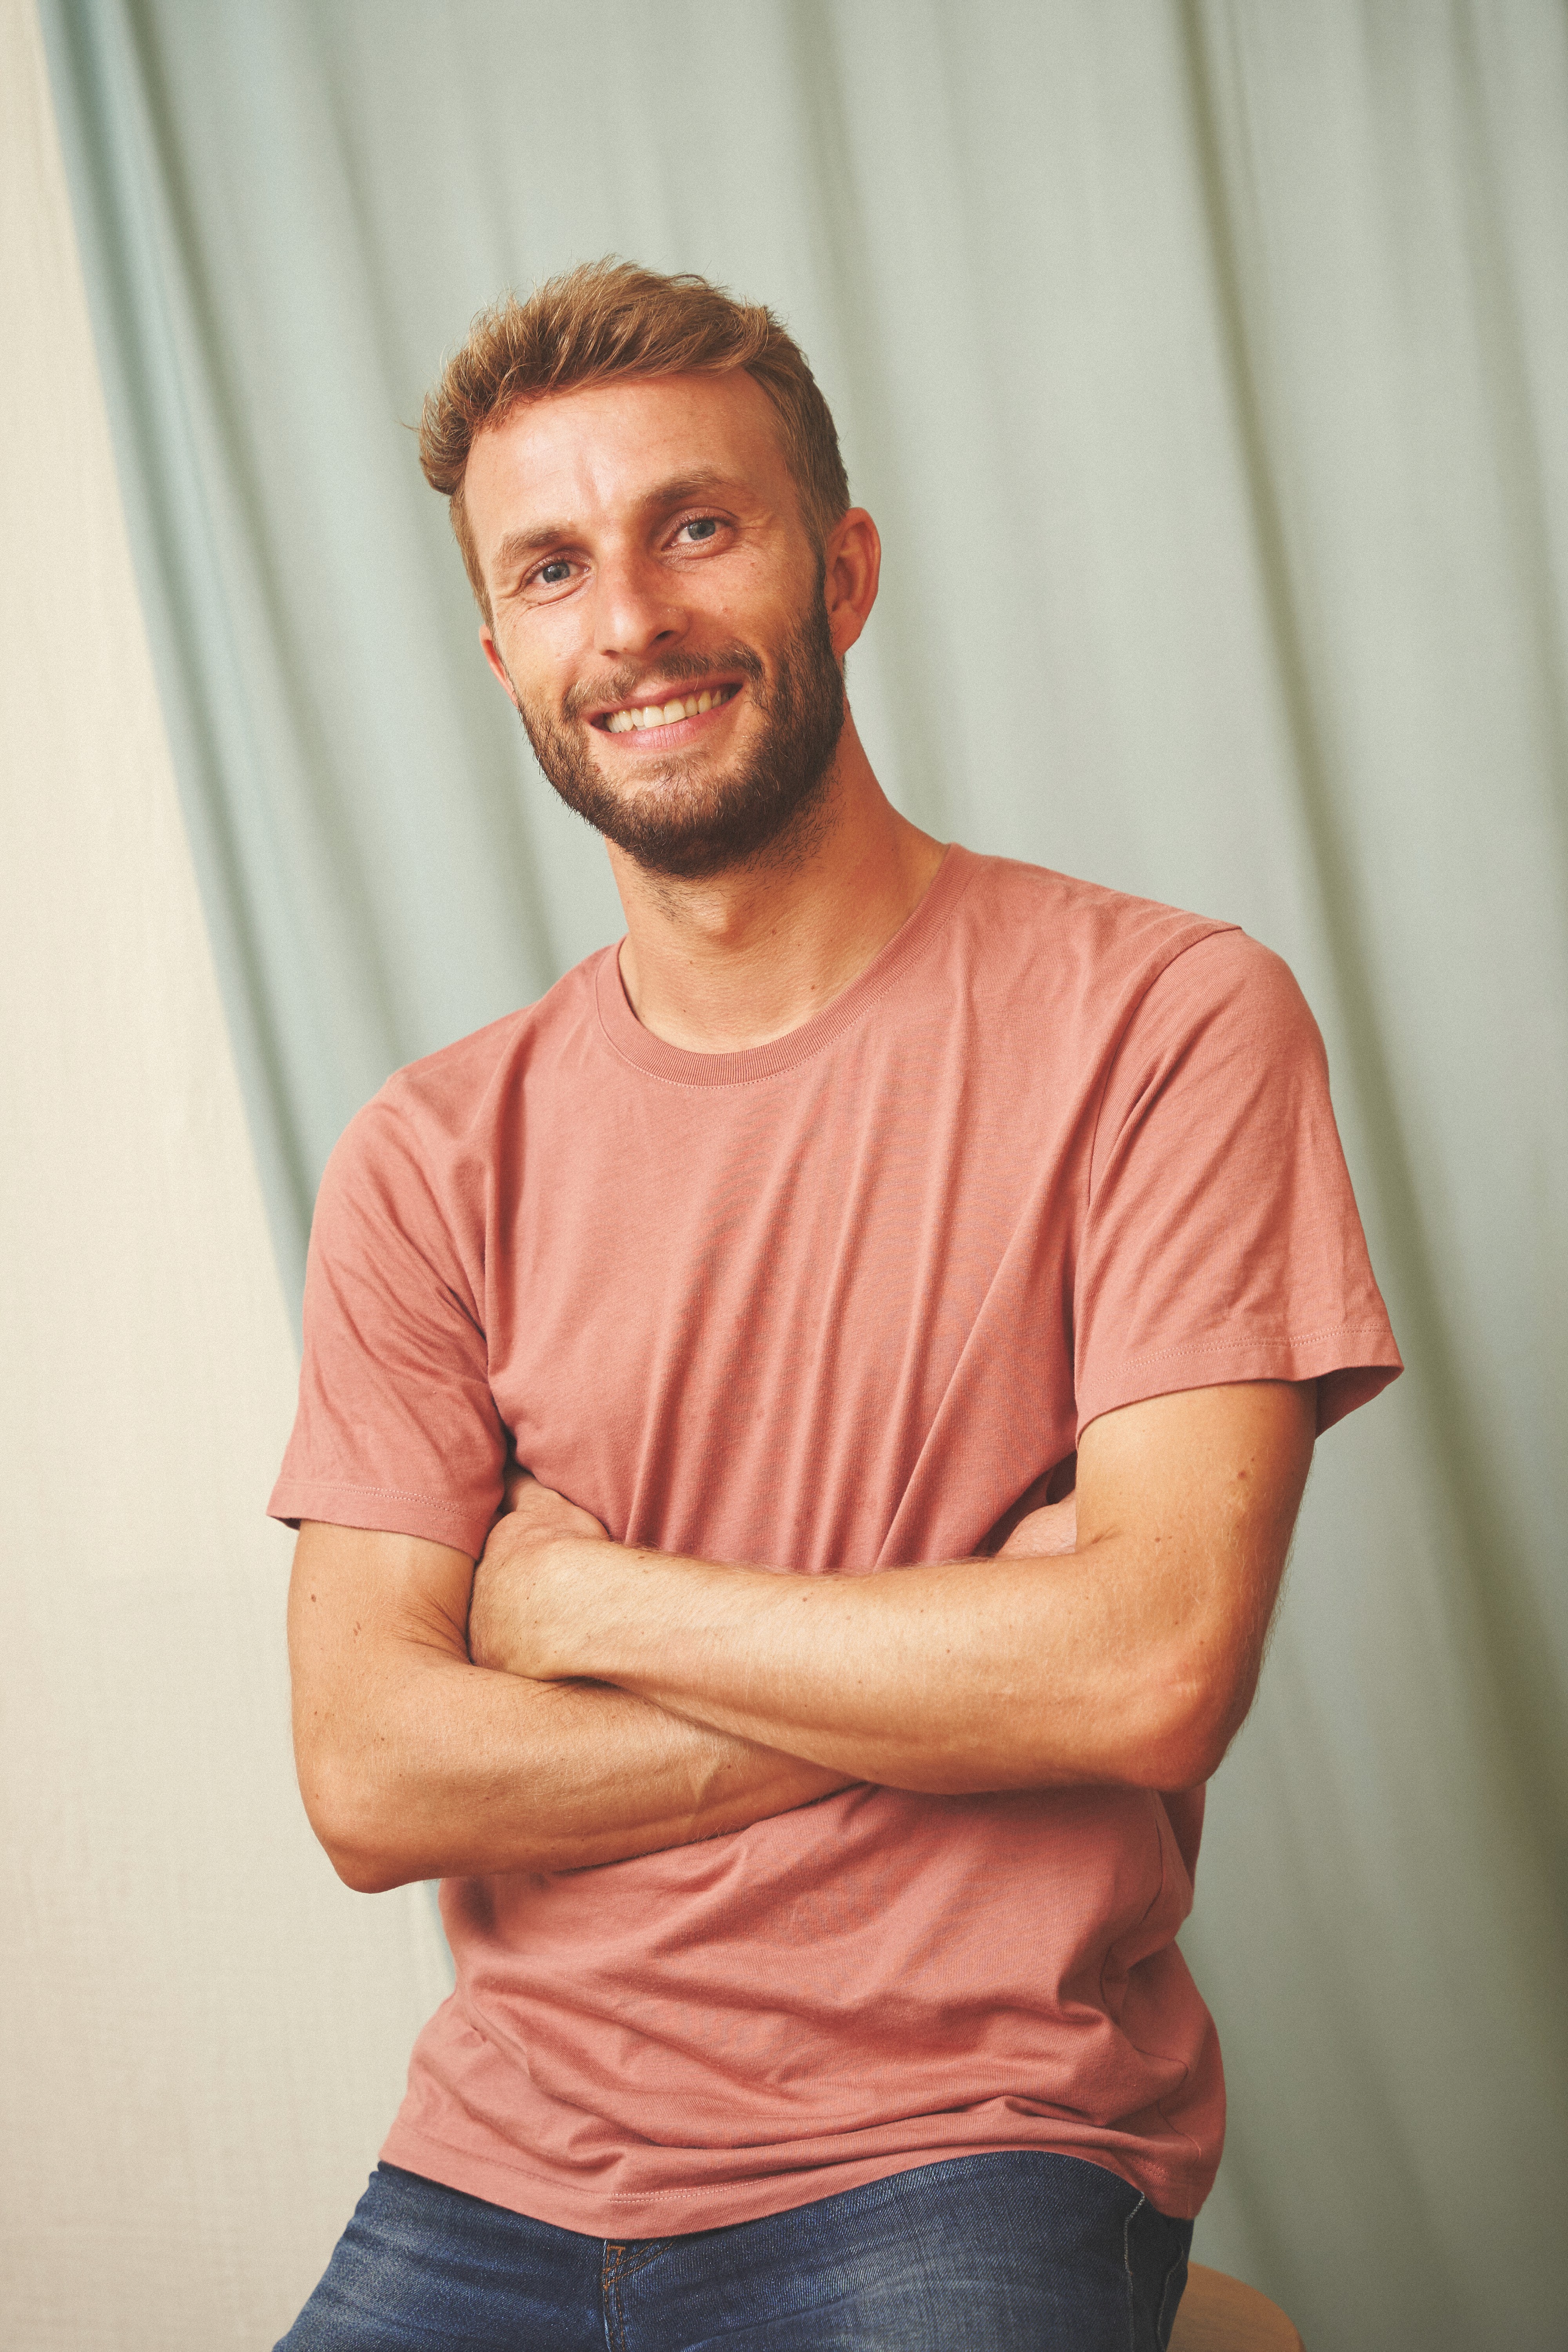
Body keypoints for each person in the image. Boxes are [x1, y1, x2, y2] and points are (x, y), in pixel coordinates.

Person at [271, 260, 1401, 2350]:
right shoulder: (430, 1156)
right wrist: (964, 1654)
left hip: (971, 2141)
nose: (631, 622)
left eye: (698, 525)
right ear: (502, 649)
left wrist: (577, 1612)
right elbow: (369, 1773)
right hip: (494, 2175)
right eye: (551, 568)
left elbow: (1147, 1667)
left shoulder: (1166, 1025)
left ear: (843, 568)